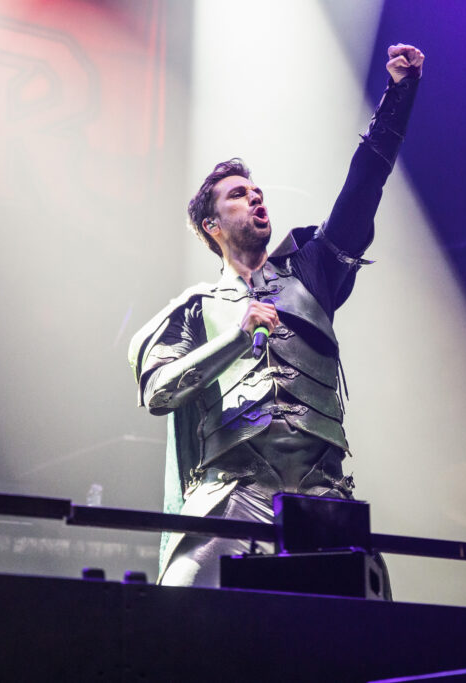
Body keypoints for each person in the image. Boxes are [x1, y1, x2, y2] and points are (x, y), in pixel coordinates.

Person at [128, 44, 425, 587]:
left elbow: (362, 191)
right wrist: (236, 341)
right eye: (239, 195)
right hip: (234, 497)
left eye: (259, 192)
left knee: (359, 635)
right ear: (212, 226)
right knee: (183, 616)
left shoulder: (310, 273)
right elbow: (157, 394)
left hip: (322, 496)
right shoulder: (192, 311)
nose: (256, 199)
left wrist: (399, 96)